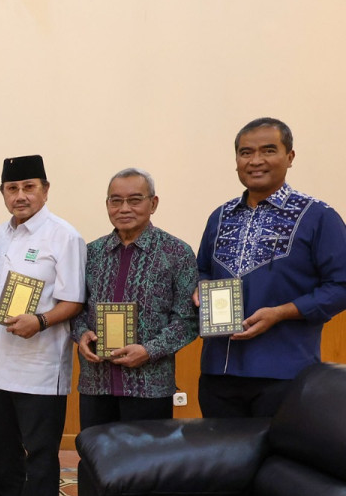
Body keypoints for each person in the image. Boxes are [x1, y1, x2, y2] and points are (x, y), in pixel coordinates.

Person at [0, 155, 85, 496]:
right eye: (12, 189)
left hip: (41, 368)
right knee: (4, 448)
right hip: (2, 365)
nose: (20, 196)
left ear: (46, 189)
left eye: (28, 187)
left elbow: (74, 300)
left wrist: (40, 320)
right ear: (3, 193)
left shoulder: (64, 236)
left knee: (39, 454)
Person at [196, 117, 346, 418]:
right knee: (222, 462)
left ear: (289, 157)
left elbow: (341, 286)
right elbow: (203, 271)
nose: (256, 161)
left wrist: (281, 312)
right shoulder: (220, 216)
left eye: (268, 150)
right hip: (217, 372)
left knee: (277, 463)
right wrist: (199, 290)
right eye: (245, 152)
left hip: (284, 372)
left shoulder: (318, 216)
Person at [73, 168, 198, 428]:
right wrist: (81, 334)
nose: (124, 208)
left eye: (135, 200)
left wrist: (149, 351)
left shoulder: (177, 253)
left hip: (150, 385)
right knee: (97, 460)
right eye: (115, 200)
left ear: (153, 203)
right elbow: (77, 308)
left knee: (145, 464)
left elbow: (187, 320)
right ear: (107, 204)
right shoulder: (92, 253)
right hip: (96, 383)